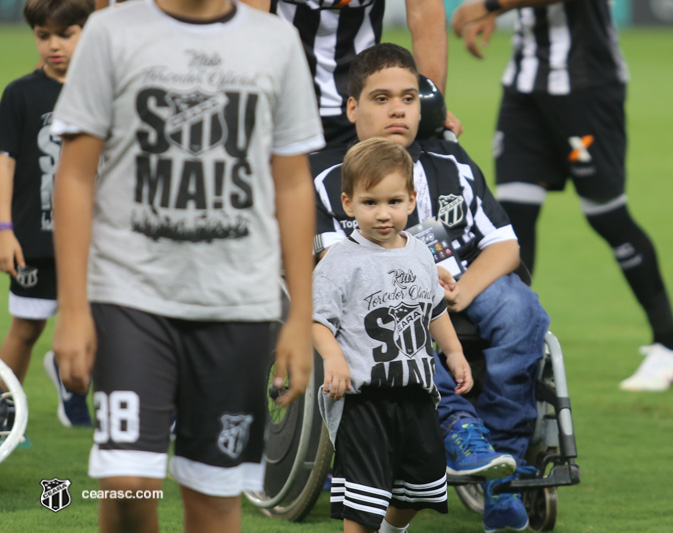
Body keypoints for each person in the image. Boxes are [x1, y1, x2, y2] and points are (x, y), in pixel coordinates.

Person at [50, 0, 324, 530]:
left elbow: (292, 184)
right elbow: (76, 175)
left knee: (214, 497)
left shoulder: (275, 41)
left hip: (238, 303)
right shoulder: (110, 32)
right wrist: (74, 308)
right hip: (129, 295)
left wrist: (299, 318)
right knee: (127, 484)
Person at [312, 42, 549, 533]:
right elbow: (332, 262)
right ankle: (461, 430)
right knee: (402, 312)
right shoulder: (326, 175)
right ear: (352, 108)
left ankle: (501, 461)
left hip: (464, 283)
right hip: (380, 306)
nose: (398, 108)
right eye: (381, 98)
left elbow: (505, 246)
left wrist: (460, 289)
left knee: (523, 309)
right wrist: (417, 281)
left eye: (409, 97)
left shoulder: (452, 164)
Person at [451, 0, 673, 392]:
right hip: (524, 89)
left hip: (586, 86)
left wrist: (490, 5)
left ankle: (671, 345)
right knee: (511, 222)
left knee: (607, 216)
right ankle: (507, 346)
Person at [313, 137, 473, 533]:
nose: (383, 214)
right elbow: (316, 319)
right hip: (365, 399)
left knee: (420, 488)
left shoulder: (419, 252)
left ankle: (393, 529)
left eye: (394, 202)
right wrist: (333, 357)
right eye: (370, 203)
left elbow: (433, 307)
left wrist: (453, 352)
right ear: (348, 204)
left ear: (412, 200)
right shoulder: (340, 261)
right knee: (362, 504)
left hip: (417, 394)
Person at [0, 0, 94, 439]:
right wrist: (3, 229)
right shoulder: (19, 94)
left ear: (86, 32)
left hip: (95, 239)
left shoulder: (100, 90)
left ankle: (72, 379)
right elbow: (6, 164)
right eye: (43, 36)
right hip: (34, 236)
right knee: (25, 328)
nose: (54, 45)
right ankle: (3, 411)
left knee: (107, 325)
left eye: (66, 34)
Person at [261, 0, 462, 146]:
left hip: (366, 109)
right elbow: (254, 18)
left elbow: (423, 11)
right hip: (281, 106)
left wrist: (430, 107)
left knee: (378, 197)